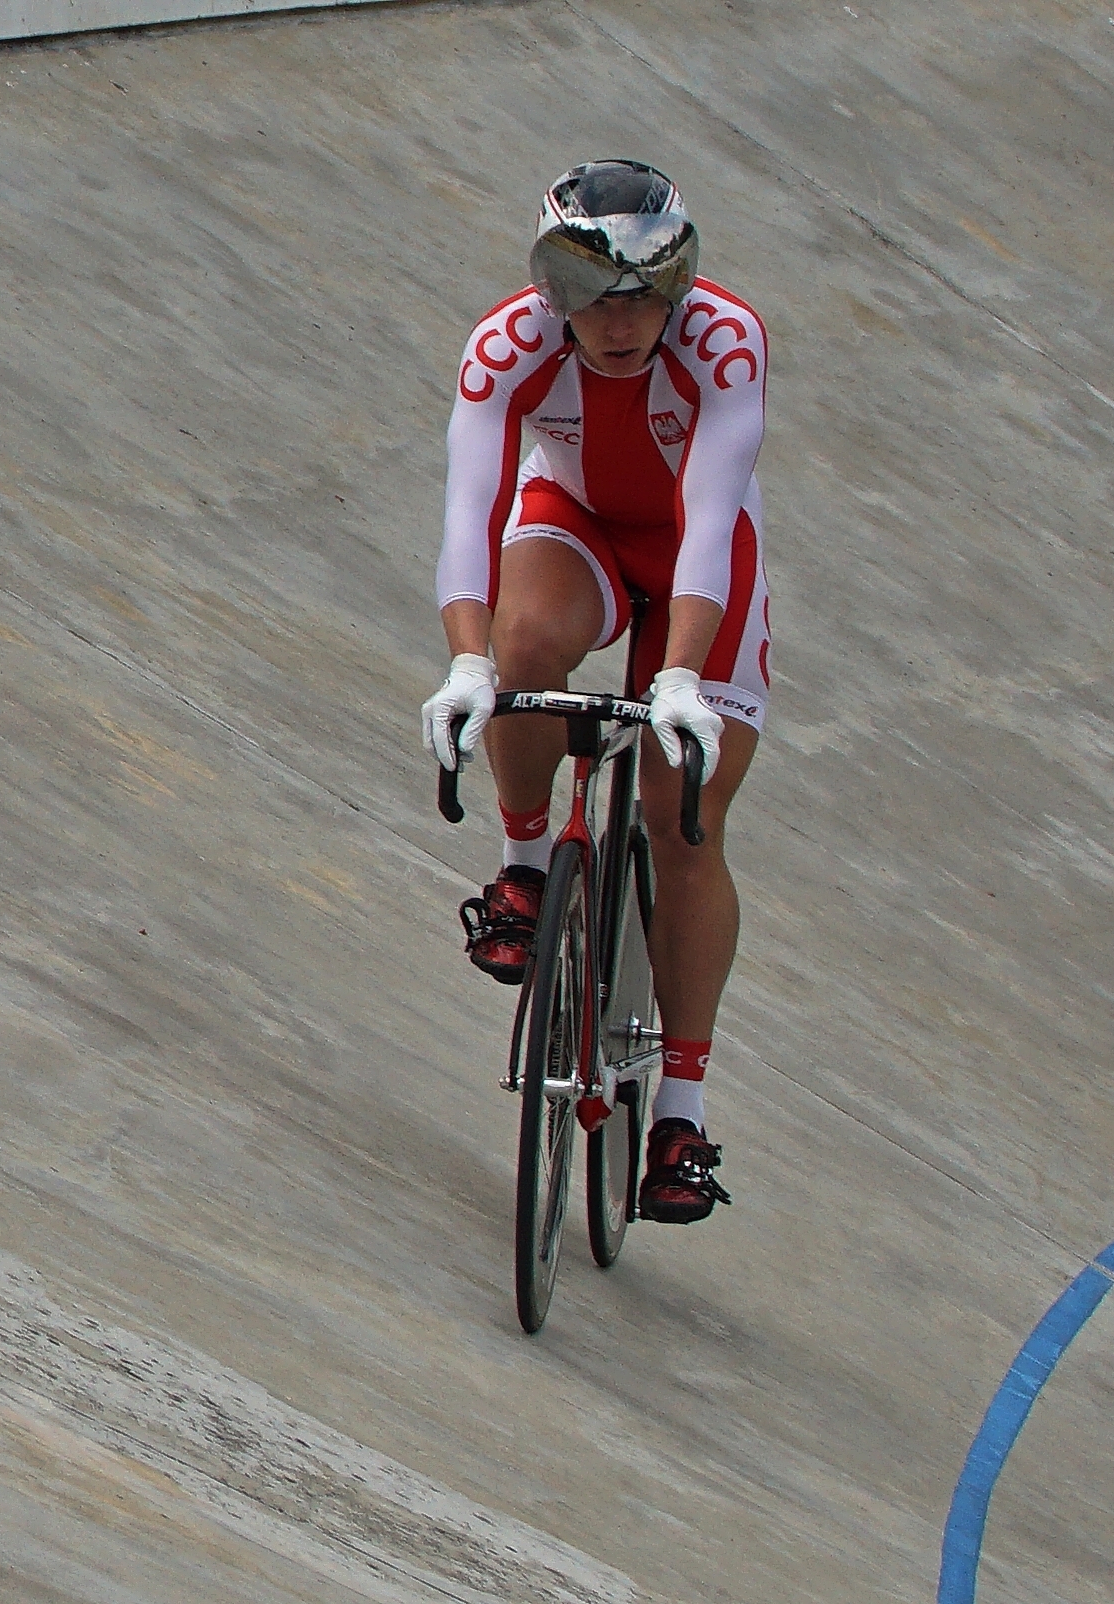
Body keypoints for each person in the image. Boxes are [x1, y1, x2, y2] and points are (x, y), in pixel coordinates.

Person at [420, 159, 769, 1223]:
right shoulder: (508, 346)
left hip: (695, 567)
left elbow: (710, 519)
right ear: (550, 292)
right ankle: (527, 868)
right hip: (572, 524)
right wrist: (467, 665)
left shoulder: (725, 341)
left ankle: (680, 1113)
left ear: (680, 285)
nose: (619, 322)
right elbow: (470, 510)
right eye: (589, 294)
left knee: (682, 820)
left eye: (644, 293)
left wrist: (676, 677)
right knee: (526, 650)